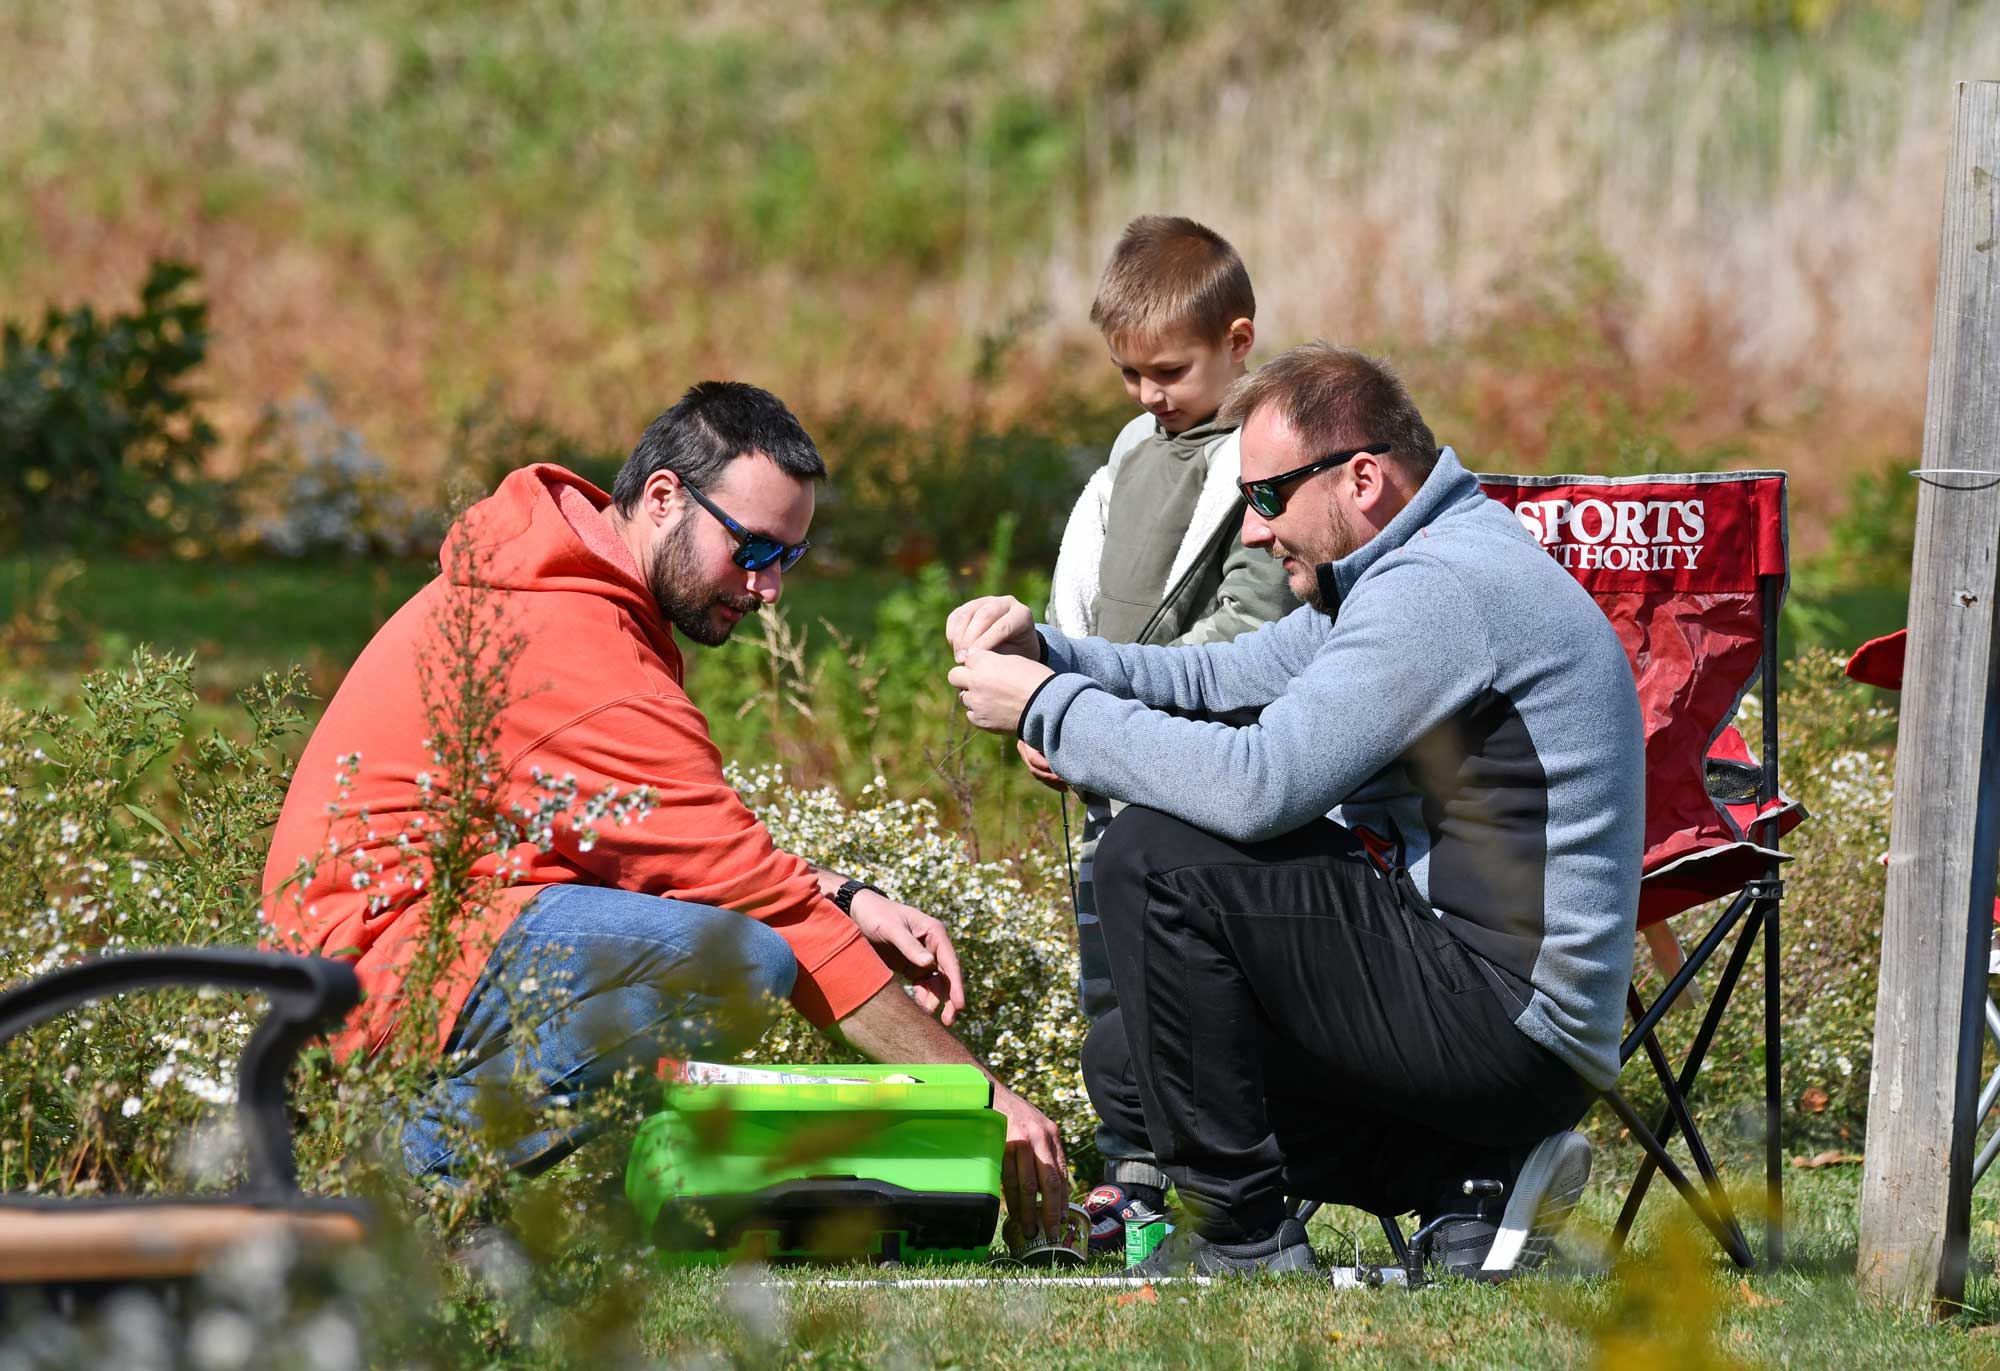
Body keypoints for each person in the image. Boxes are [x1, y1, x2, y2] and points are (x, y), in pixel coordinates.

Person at [262, 380, 1069, 1237]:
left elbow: (678, 847)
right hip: (369, 975)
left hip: (411, 943)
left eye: (787, 557)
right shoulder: (578, 646)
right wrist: (984, 1099)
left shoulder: (575, 583)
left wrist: (846, 895)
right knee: (742, 963)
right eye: (753, 548)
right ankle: (393, 1186)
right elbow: (755, 902)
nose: (768, 589)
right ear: (662, 497)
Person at [945, 344, 1644, 1278]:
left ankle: (1242, 1240)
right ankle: (1469, 1183)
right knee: (1130, 1060)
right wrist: (1051, 652)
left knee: (1154, 857)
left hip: (1509, 1023)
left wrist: (1046, 710)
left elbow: (1260, 781)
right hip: (1499, 1020)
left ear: (1362, 478)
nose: (1253, 535)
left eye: (1266, 499)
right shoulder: (1414, 562)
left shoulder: (1439, 589)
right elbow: (1221, 680)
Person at [1032, 215, 1295, 1248]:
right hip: (1107, 757)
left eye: (1168, 371)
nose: (1148, 394)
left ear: (1237, 341)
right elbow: (1088, 596)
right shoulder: (1134, 450)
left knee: (1176, 976)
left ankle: (1200, 1176)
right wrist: (1047, 692)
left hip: (1194, 754)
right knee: (1109, 977)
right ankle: (1129, 1170)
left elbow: (1250, 625)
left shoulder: (1262, 460)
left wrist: (1120, 711)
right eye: (1127, 374)